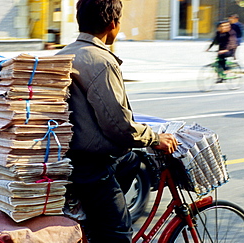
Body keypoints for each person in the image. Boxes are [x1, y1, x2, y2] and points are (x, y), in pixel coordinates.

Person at [57, 0, 178, 242]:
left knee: (131, 160)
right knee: (119, 231)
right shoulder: (101, 61)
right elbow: (119, 126)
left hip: (65, 158)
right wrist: (154, 139)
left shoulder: (62, 54)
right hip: (90, 166)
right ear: (113, 24)